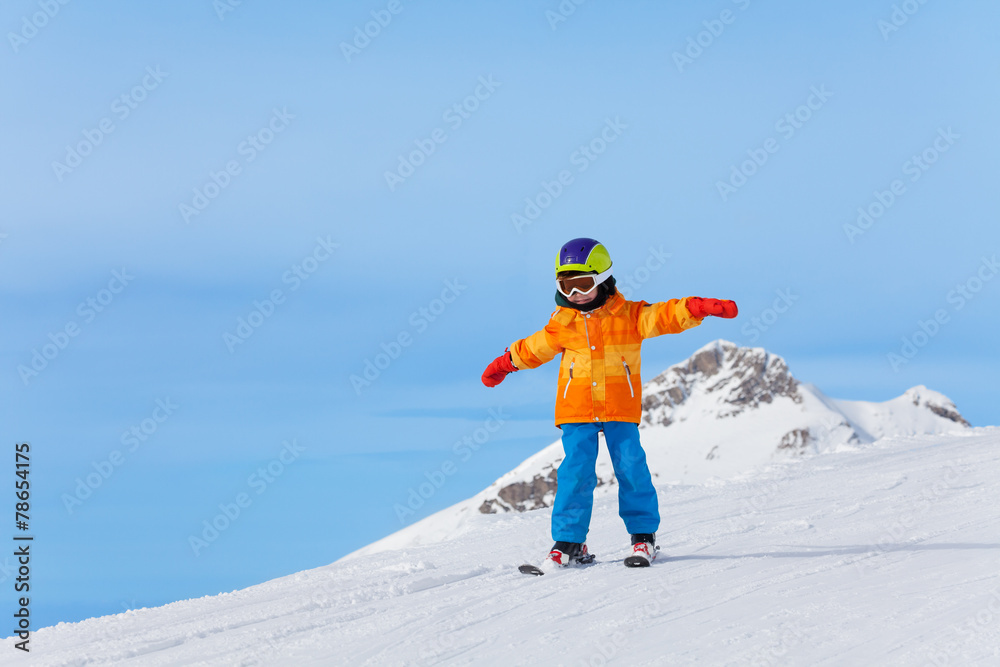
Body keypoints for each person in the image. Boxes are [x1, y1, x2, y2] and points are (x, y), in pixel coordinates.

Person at [481, 237, 737, 569]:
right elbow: (533, 348)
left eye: (583, 284)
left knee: (631, 469)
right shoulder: (562, 323)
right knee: (575, 474)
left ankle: (643, 538)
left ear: (603, 279)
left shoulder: (630, 316)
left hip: (619, 405)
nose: (575, 294)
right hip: (577, 408)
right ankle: (569, 544)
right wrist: (505, 363)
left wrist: (695, 307)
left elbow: (663, 316)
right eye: (566, 286)